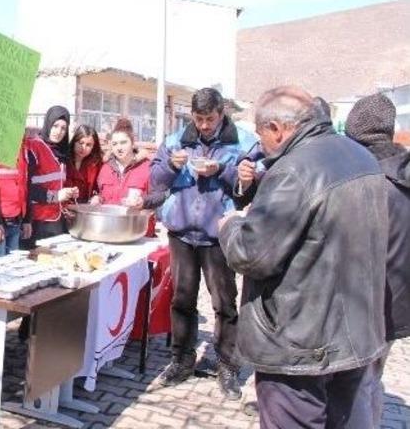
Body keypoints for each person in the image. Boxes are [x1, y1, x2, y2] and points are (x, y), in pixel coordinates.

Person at [218, 86, 389, 427]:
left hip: (299, 345)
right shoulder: (361, 157)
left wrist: (231, 225)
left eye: (260, 133)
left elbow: (252, 255)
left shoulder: (293, 171)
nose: (260, 144)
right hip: (353, 336)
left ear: (277, 129)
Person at [150, 87, 252, 400]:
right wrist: (173, 165)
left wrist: (222, 169)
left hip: (217, 234)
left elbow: (251, 185)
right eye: (199, 118)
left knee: (224, 303)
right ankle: (181, 359)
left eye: (210, 118)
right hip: (181, 231)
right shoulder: (175, 139)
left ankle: (227, 365)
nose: (205, 125)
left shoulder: (243, 141)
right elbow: (156, 178)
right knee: (181, 299)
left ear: (222, 113)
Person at [344, 92, 410, 427]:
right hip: (397, 302)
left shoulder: (367, 181)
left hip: (366, 305)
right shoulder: (402, 169)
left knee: (357, 388)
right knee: (372, 380)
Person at [23, 105, 79, 246]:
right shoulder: (34, 147)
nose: (58, 132)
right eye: (55, 126)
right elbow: (26, 187)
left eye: (63, 128)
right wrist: (56, 196)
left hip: (56, 220)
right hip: (37, 222)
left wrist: (69, 193)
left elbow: (56, 183)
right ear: (48, 124)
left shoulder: (61, 152)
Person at [67, 125, 102, 203]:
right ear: (74, 141)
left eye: (88, 145)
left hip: (84, 208)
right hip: (64, 207)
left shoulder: (96, 164)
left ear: (93, 147)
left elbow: (100, 189)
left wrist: (98, 197)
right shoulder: (64, 160)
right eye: (80, 143)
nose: (83, 148)